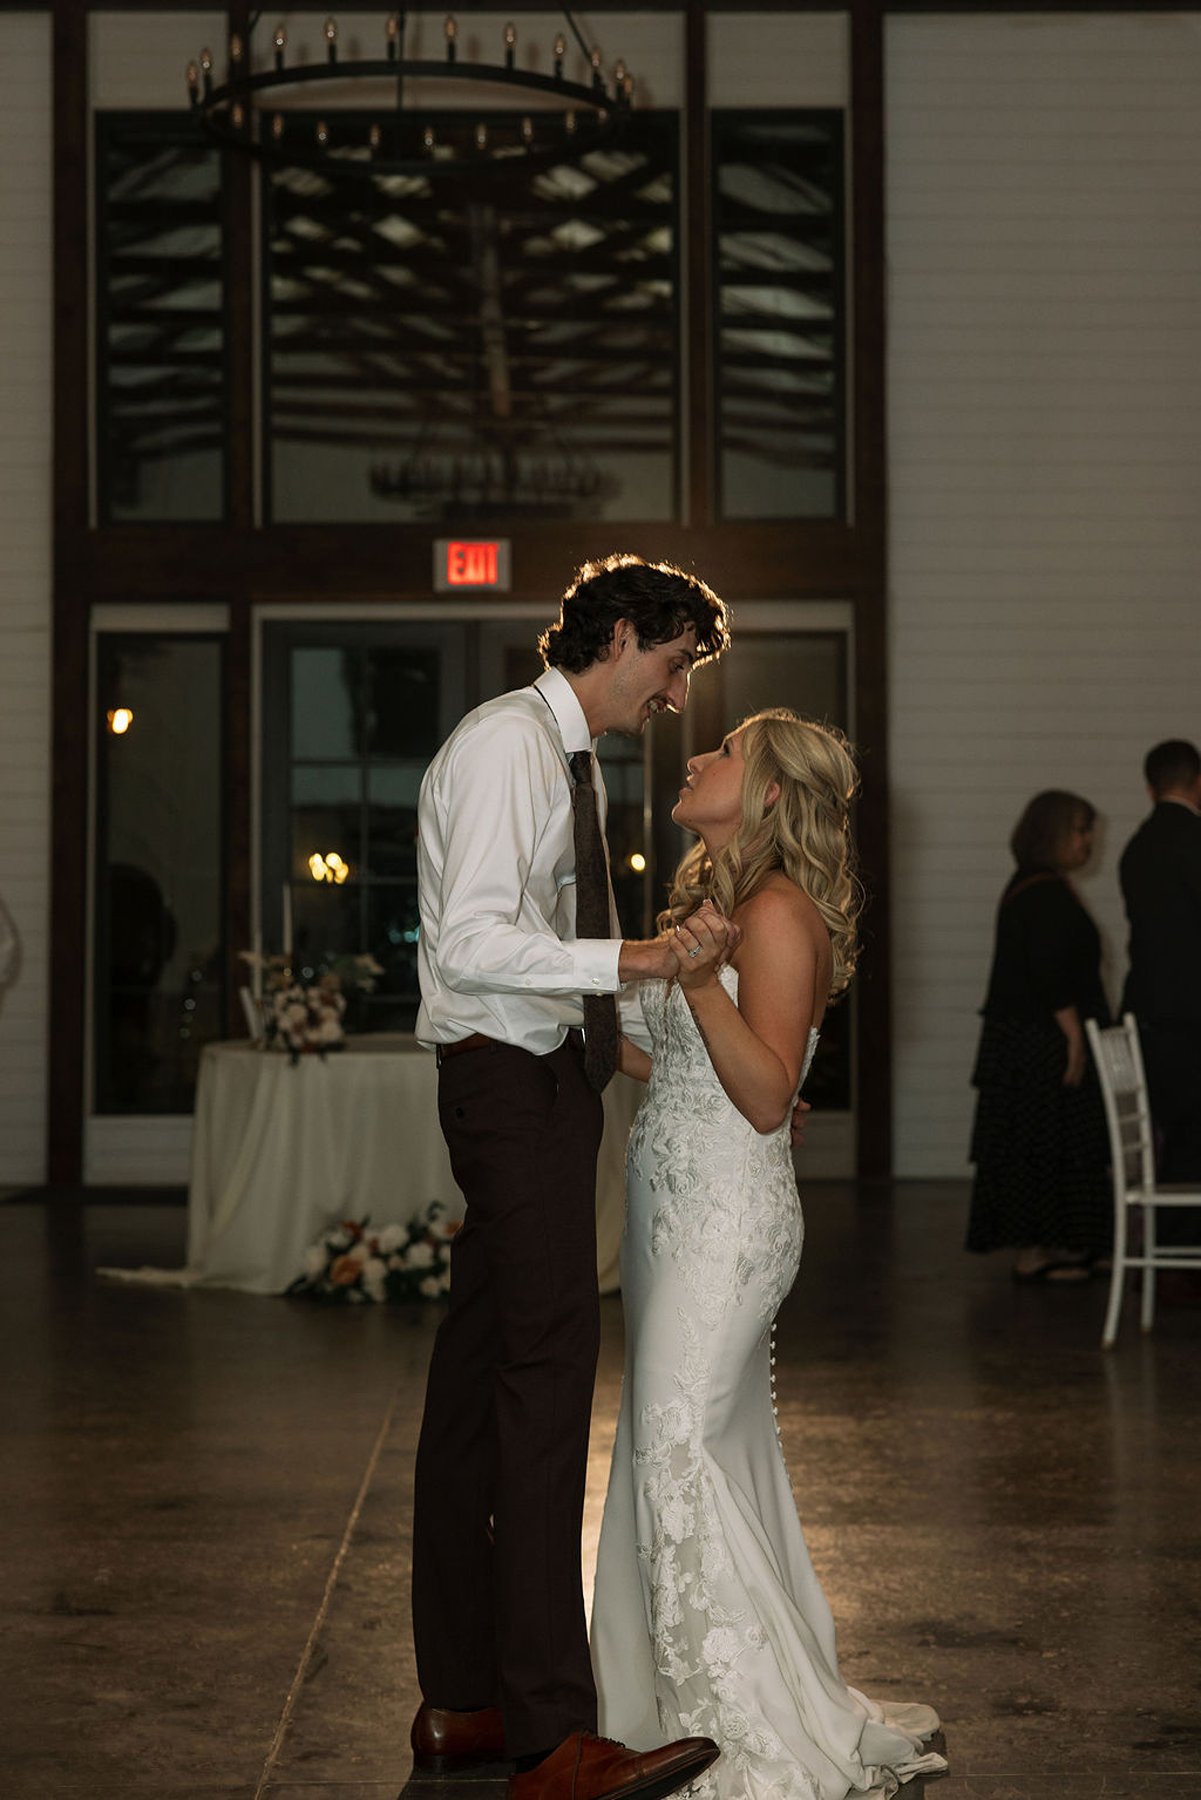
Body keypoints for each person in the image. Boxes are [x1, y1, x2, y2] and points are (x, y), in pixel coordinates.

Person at [410, 553, 731, 1800]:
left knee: (476, 1390)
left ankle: (467, 1701)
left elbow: (527, 950)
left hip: (529, 1076)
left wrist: (634, 1041)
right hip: (508, 1089)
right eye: (674, 663)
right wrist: (644, 956)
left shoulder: (559, 755)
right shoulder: (506, 747)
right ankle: (553, 1741)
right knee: (545, 1390)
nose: (674, 693)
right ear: (627, 635)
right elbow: (477, 940)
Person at [591, 710, 947, 1800]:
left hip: (725, 1223)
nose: (696, 759)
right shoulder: (721, 906)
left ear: (770, 796)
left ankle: (730, 1731)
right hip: (667, 1211)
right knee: (683, 1449)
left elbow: (765, 1096)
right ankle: (661, 1705)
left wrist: (699, 985)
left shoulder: (780, 913)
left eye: (723, 752)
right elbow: (671, 1066)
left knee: (678, 1447)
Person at [966, 790, 1111, 1281]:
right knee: (1038, 1145)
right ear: (1052, 834)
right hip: (1040, 1043)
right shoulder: (1043, 892)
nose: (1087, 841)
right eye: (1080, 830)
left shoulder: (1039, 885)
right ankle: (1034, 1254)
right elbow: (1049, 972)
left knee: (1052, 1144)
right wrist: (1073, 1039)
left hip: (1031, 1041)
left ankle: (1054, 1246)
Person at [1118, 739, 1201, 1189]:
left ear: (1150, 788)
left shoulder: (1137, 848)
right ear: (1199, 782)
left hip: (1147, 1009)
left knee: (1168, 1130)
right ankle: (1187, 1242)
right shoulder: (1195, 840)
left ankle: (1170, 1237)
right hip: (1194, 1014)